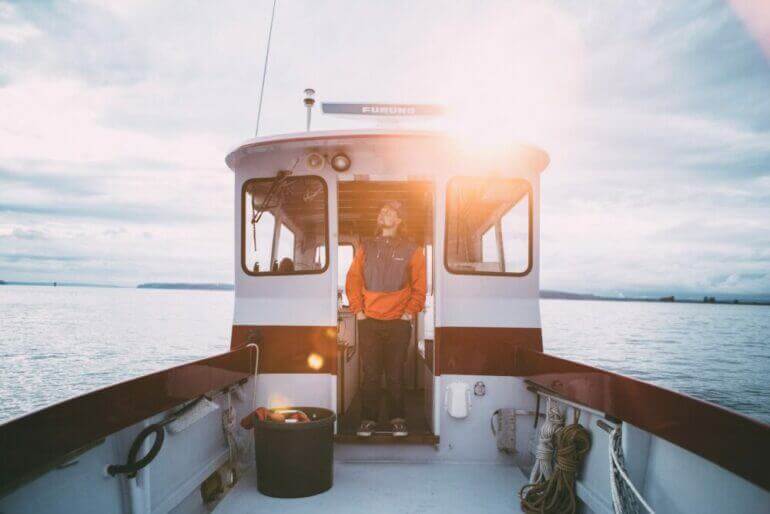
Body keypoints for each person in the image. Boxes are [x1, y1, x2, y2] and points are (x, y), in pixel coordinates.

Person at [345, 200, 427, 437]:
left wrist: (407, 313)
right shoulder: (366, 246)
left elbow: (420, 287)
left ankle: (398, 418)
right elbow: (353, 280)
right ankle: (368, 419)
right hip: (368, 320)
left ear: (399, 220)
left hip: (399, 323)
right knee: (370, 373)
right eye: (382, 210)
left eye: (391, 211)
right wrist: (358, 311)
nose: (385, 213)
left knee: (394, 373)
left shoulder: (413, 250)